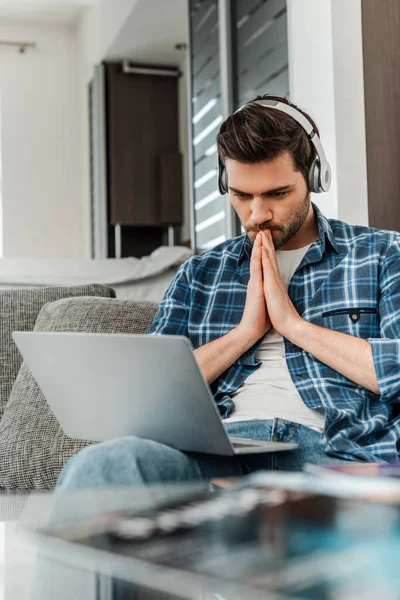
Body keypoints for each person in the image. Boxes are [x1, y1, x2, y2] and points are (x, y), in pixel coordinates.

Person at [57, 94, 400, 491]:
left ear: (315, 177)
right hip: (217, 455)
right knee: (103, 467)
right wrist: (244, 334)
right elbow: (147, 396)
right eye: (241, 196)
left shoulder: (381, 254)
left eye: (277, 194)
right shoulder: (200, 274)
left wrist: (293, 325)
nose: (256, 215)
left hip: (334, 454)